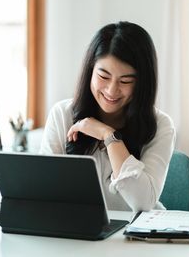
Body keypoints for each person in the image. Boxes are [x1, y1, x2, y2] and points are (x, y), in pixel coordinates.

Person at [40, 21, 176, 212]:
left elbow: (143, 203)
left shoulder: (161, 125)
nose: (112, 90)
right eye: (103, 77)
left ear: (142, 83)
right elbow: (45, 192)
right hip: (79, 234)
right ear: (90, 71)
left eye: (125, 81)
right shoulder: (62, 115)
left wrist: (109, 136)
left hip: (137, 235)